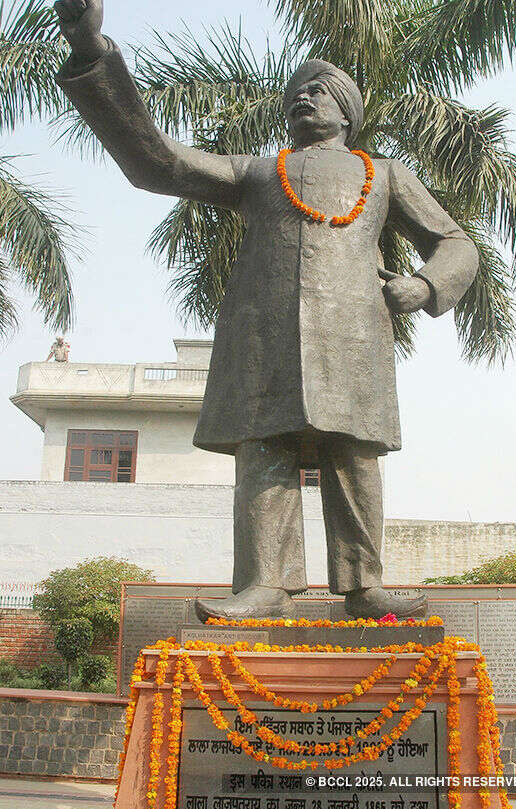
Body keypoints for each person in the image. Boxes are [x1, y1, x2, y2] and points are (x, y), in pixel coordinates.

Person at [53, 0, 479, 621]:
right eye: (295, 91)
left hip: (353, 334)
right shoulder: (256, 172)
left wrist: (426, 286)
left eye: (318, 89)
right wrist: (92, 51)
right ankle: (264, 584)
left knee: (354, 453)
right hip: (263, 332)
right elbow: (157, 161)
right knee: (263, 451)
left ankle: (364, 585)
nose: (301, 97)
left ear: (345, 109)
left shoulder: (383, 174)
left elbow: (455, 243)